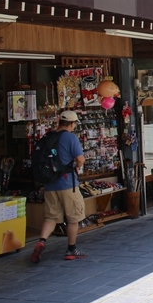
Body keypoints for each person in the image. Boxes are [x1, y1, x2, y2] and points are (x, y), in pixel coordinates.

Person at [30, 111, 87, 263]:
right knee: (73, 218)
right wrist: (76, 165)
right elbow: (81, 159)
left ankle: (42, 241)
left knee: (51, 217)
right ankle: (71, 249)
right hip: (68, 184)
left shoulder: (49, 137)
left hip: (49, 185)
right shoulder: (70, 137)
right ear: (72, 124)